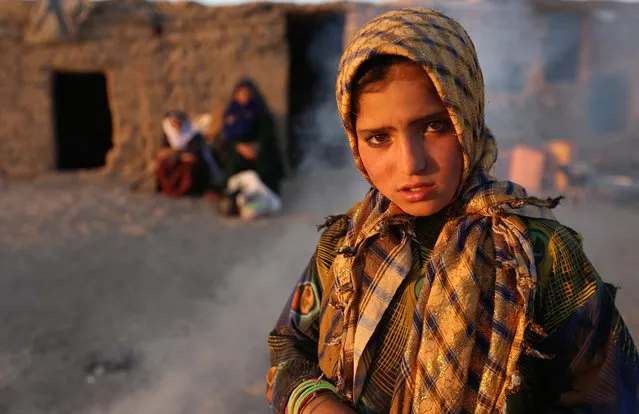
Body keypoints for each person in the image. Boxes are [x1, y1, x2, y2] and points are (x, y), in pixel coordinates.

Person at [266, 8, 638, 414]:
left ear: (468, 114)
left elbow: (610, 398)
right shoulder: (345, 245)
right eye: (378, 138)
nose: (411, 164)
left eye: (433, 126)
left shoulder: (539, 258)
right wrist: (318, 404)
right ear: (355, 142)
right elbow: (289, 345)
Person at [215, 79, 284, 194]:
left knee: (265, 165)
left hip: (258, 147)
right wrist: (240, 146)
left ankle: (268, 193)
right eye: (241, 93)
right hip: (236, 148)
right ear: (236, 95)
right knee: (232, 163)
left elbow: (266, 133)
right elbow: (228, 135)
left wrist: (257, 146)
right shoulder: (231, 113)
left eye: (247, 93)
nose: (244, 96)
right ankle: (231, 194)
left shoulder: (260, 111)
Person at [156, 110, 222, 197]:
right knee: (162, 166)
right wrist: (175, 154)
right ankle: (168, 189)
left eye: (177, 122)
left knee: (186, 167)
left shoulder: (194, 136)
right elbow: (161, 153)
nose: (176, 125)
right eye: (173, 122)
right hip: (174, 162)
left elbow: (191, 157)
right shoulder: (168, 135)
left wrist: (174, 154)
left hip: (196, 167)